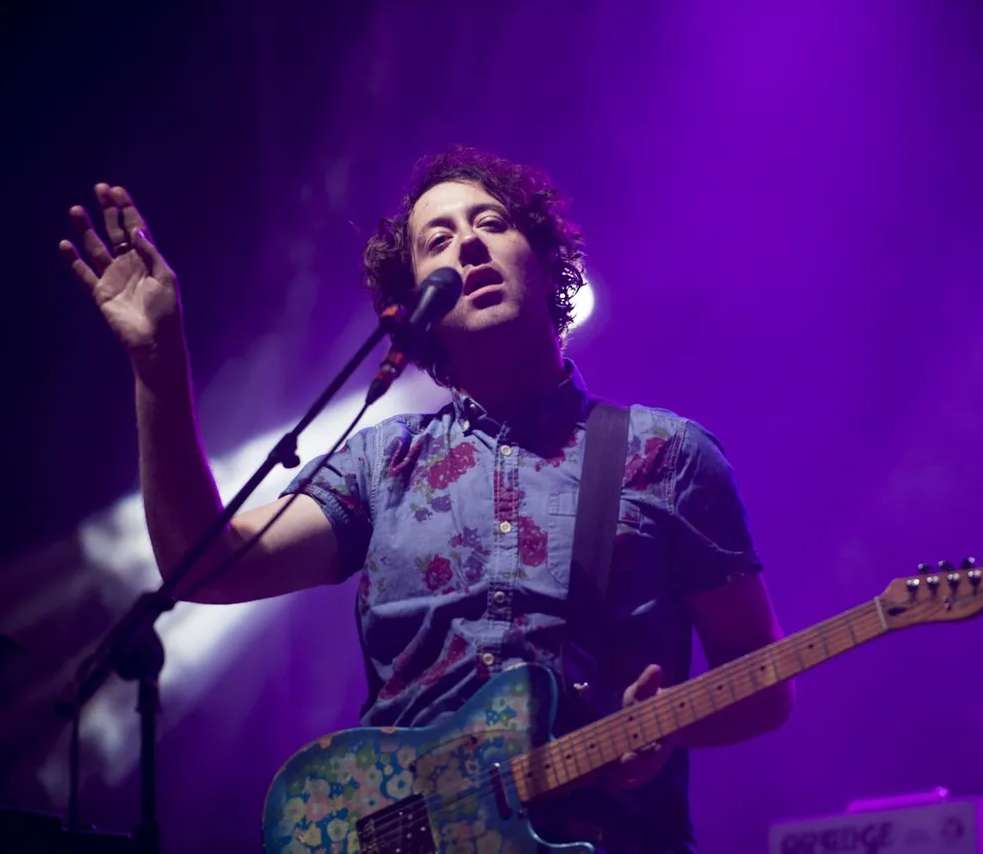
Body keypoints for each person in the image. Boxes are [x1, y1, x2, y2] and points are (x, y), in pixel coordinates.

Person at [59, 145, 794, 853]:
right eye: (436, 240)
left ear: (542, 262)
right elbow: (205, 567)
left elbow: (763, 684)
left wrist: (673, 724)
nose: (468, 246)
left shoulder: (666, 454)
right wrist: (159, 363)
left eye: (491, 224)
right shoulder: (384, 461)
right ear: (415, 306)